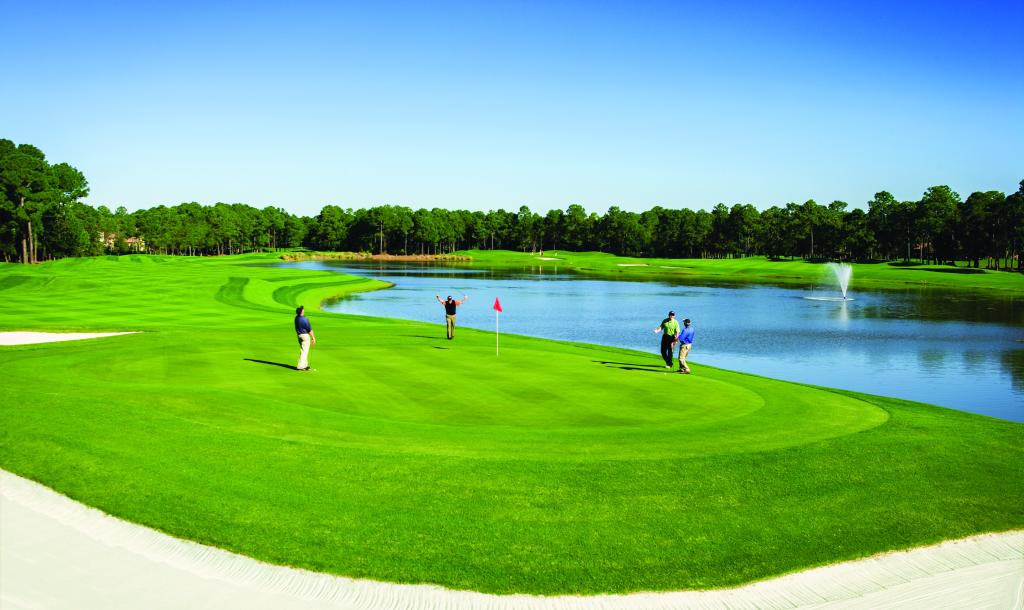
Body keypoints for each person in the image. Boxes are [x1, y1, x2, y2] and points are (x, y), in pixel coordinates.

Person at [294, 305, 316, 371]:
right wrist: (313, 337)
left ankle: (305, 365)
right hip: (305, 336)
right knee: (304, 351)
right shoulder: (304, 319)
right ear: (302, 311)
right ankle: (300, 366)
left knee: (304, 350)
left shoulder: (296, 318)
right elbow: (310, 330)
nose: (304, 310)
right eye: (303, 309)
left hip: (299, 335)